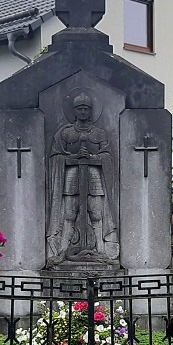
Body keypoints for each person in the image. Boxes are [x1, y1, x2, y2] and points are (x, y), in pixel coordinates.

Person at [46, 90, 119, 265]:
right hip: (71, 175)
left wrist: (93, 158)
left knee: (96, 213)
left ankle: (102, 251)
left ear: (91, 110)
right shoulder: (66, 133)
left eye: (86, 109)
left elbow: (108, 156)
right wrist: (75, 158)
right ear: (74, 111)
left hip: (93, 175)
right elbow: (56, 156)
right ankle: (62, 250)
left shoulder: (99, 133)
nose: (83, 112)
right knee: (69, 213)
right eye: (80, 109)